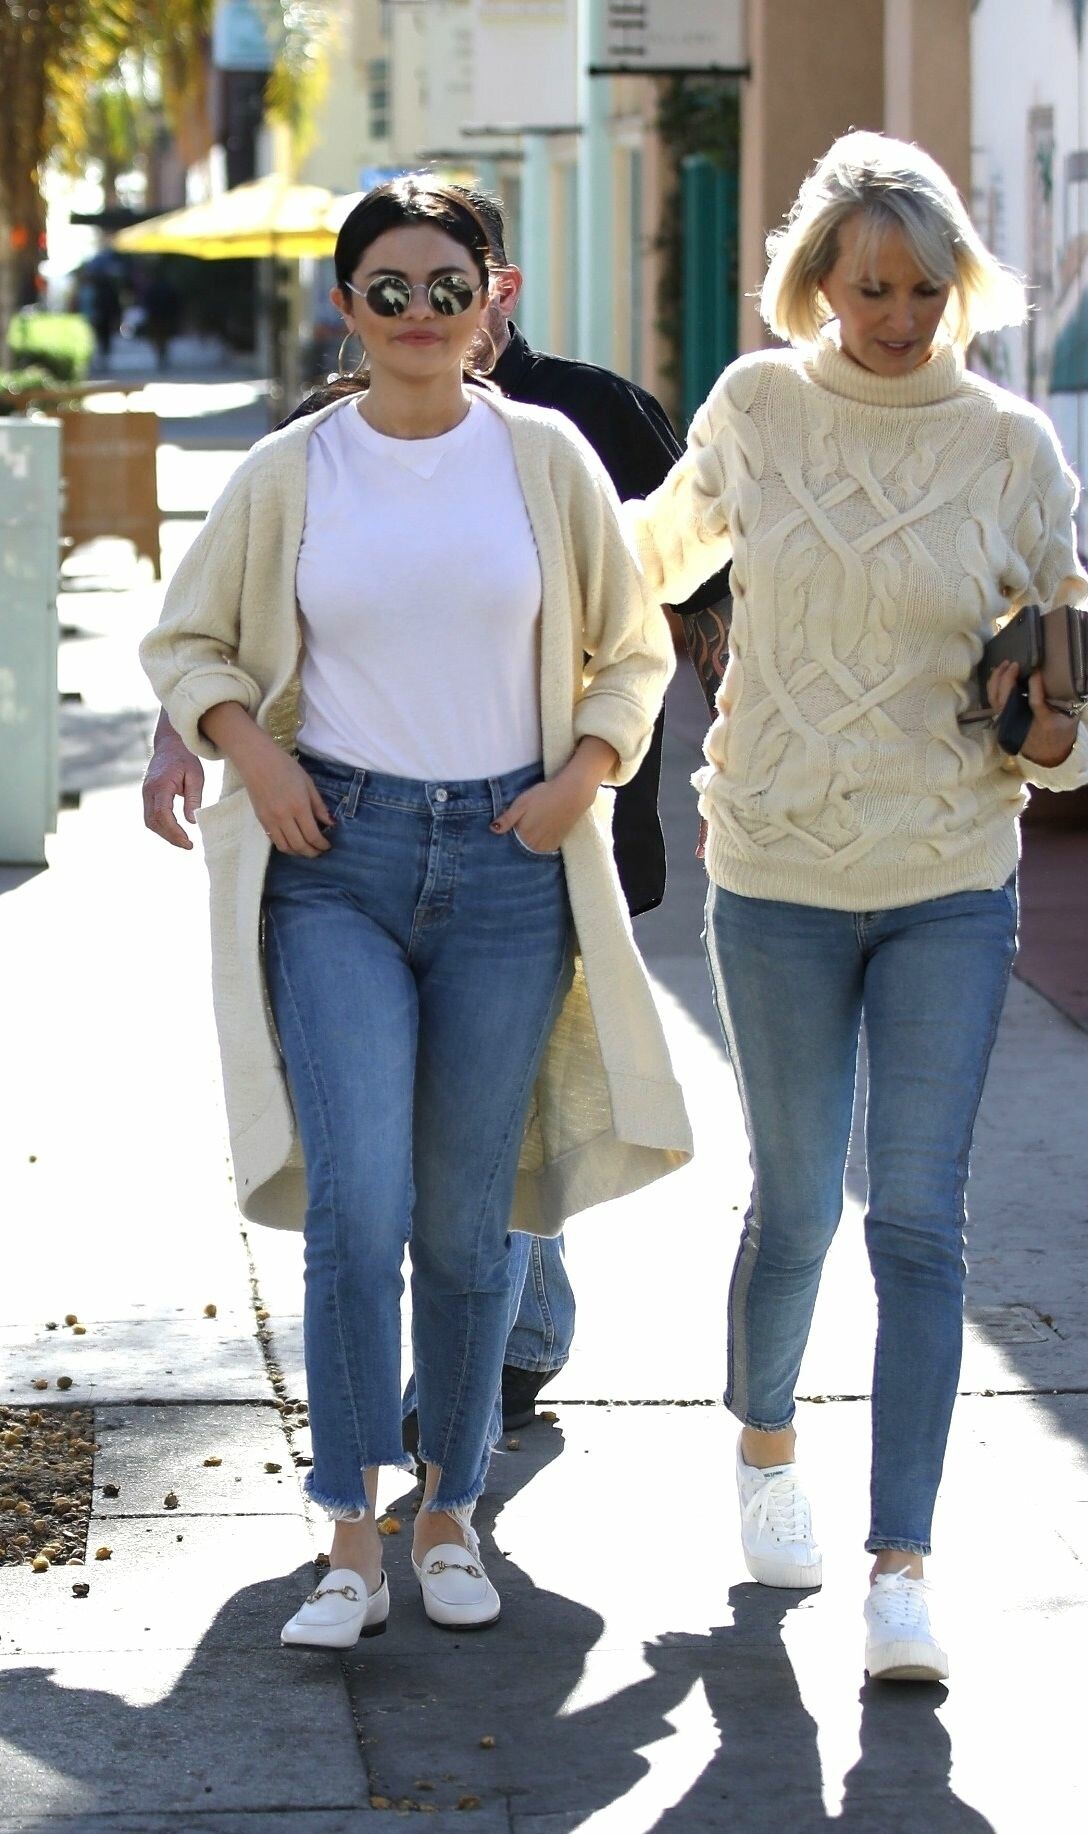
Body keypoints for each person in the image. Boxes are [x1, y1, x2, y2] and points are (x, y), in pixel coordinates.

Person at [141, 177, 691, 1651]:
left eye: (449, 287)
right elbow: (186, 637)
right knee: (358, 1200)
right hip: (338, 860)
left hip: (510, 867)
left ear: (492, 298)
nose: (419, 315)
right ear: (348, 307)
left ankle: (448, 1510)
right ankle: (346, 1533)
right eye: (388, 290)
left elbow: (632, 648)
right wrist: (252, 755)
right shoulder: (293, 470)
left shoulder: (547, 457)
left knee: (467, 1217)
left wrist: (581, 775)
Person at [628, 131, 1088, 1682]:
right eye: (869, 287)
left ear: (956, 286)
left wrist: (1053, 729)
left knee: (914, 1214)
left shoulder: (1012, 446)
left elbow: (1075, 705)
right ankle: (765, 1448)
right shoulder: (758, 408)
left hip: (948, 876)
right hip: (772, 867)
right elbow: (643, 559)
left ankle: (902, 1565)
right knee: (793, 1202)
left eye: (922, 288)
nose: (897, 316)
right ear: (818, 287)